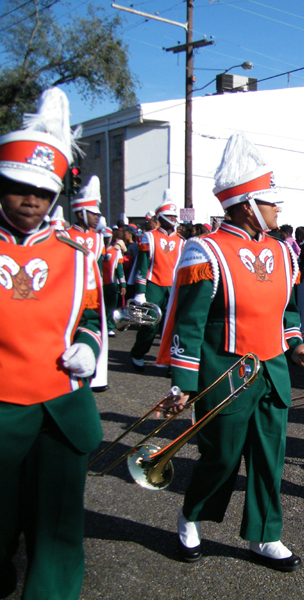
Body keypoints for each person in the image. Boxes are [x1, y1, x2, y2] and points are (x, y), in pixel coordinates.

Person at [156, 133, 304, 570]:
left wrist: (297, 343)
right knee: (221, 457)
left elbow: (285, 312)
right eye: (271, 202)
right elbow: (188, 324)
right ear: (247, 204)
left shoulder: (283, 252)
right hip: (224, 373)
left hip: (272, 373)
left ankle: (265, 535)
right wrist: (184, 384)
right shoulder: (204, 249)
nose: (278, 209)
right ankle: (191, 515)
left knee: (270, 458)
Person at [0, 88, 103, 600]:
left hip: (62, 410)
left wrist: (88, 347)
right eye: (19, 186)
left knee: (59, 531)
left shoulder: (76, 252)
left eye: (42, 191)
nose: (31, 200)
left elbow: (88, 316)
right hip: (1, 409)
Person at [129, 191, 185, 371]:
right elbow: (143, 264)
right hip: (153, 284)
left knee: (172, 327)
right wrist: (140, 291)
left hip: (173, 287)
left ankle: (167, 360)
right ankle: (138, 353)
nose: (174, 219)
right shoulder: (150, 236)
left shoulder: (181, 241)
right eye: (170, 215)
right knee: (150, 324)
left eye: (175, 216)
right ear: (161, 216)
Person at [62, 175, 109, 393]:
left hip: (92, 295)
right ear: (81, 212)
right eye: (93, 213)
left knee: (93, 330)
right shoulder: (63, 235)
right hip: (68, 293)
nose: (96, 218)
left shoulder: (99, 239)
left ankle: (95, 375)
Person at [101, 225, 126, 337]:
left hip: (112, 284)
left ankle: (109, 326)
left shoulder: (116, 252)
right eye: (104, 237)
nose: (106, 240)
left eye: (108, 237)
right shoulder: (96, 249)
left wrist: (123, 285)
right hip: (99, 284)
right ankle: (100, 326)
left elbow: (120, 270)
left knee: (111, 306)